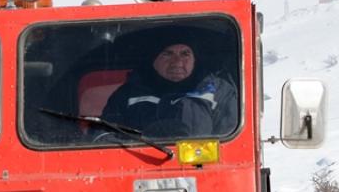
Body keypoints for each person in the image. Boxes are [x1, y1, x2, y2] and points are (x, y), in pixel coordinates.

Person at [101, 31, 238, 139]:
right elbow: (105, 137)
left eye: (185, 54)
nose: (177, 62)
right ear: (153, 59)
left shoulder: (220, 92)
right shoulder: (127, 94)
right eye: (167, 54)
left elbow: (231, 143)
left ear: (195, 59)